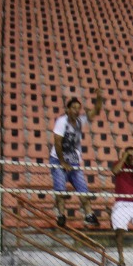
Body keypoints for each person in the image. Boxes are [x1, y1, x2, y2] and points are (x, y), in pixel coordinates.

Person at [49, 90, 103, 228]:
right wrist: (62, 161)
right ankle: (61, 214)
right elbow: (57, 141)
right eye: (73, 108)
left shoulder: (80, 121)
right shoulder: (62, 122)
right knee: (60, 188)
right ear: (67, 109)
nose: (76, 110)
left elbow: (95, 111)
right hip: (58, 160)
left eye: (78, 108)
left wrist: (98, 97)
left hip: (74, 161)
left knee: (83, 188)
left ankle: (89, 215)